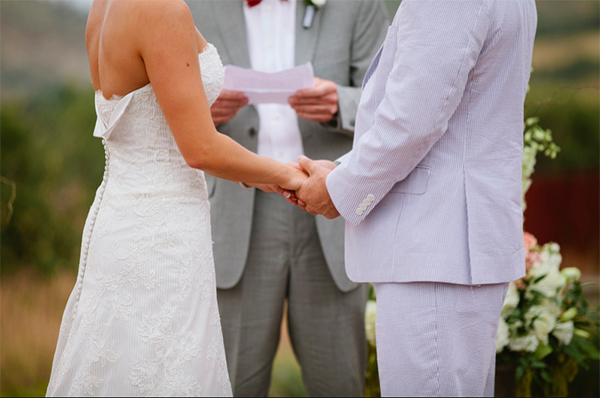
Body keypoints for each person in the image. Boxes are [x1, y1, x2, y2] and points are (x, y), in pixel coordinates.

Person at [46, 0, 307, 396]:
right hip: (162, 235)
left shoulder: (103, 7)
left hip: (119, 219)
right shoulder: (161, 9)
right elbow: (200, 149)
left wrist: (250, 172)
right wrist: (286, 174)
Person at [293, 0, 537, 396]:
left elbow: (412, 120)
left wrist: (340, 192)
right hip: (456, 245)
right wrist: (342, 170)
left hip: (434, 248)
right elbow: (457, 117)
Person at [186, 0, 388, 395]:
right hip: (234, 214)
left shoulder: (359, 4)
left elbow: (396, 97)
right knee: (232, 382)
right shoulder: (193, 5)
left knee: (340, 383)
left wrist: (341, 104)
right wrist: (199, 108)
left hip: (331, 212)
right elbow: (159, 94)